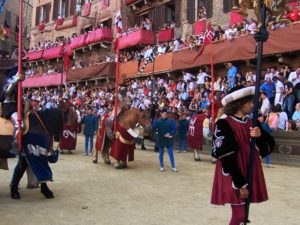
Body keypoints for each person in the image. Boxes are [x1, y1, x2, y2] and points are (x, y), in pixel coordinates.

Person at [211, 86, 275, 225]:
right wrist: (240, 184)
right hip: (234, 174)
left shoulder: (253, 123)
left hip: (249, 170)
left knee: (244, 214)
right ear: (238, 103)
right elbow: (225, 156)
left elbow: (268, 146)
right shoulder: (223, 123)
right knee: (240, 215)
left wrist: (258, 137)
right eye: (249, 101)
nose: (252, 104)